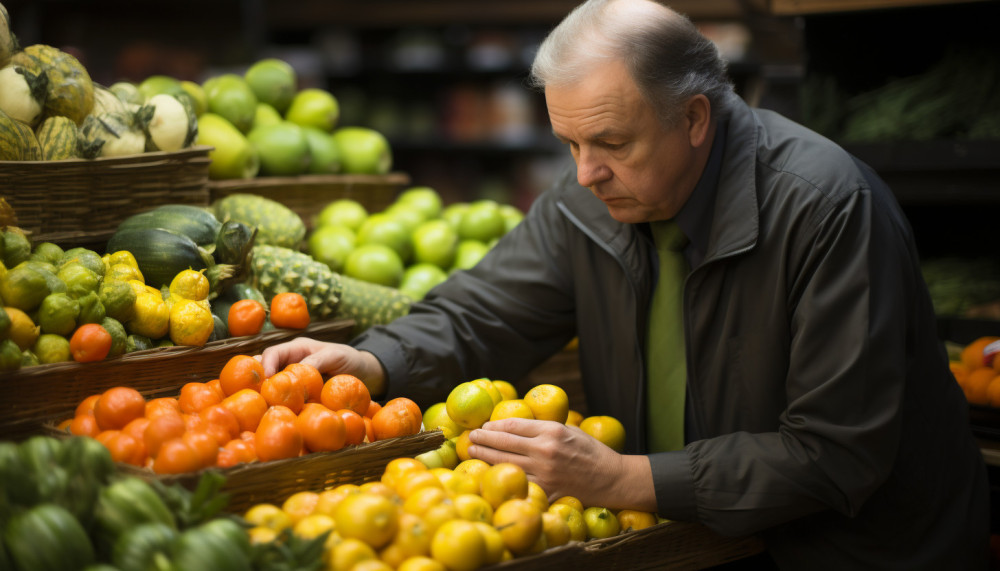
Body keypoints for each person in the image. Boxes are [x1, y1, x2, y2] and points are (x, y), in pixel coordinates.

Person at [261, 0, 990, 568]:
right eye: (570, 143)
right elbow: (481, 314)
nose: (584, 173)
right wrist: (377, 360)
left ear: (695, 117)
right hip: (700, 541)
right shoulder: (589, 202)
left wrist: (626, 480)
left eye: (611, 143)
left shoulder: (825, 207)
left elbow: (835, 453)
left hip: (858, 554)